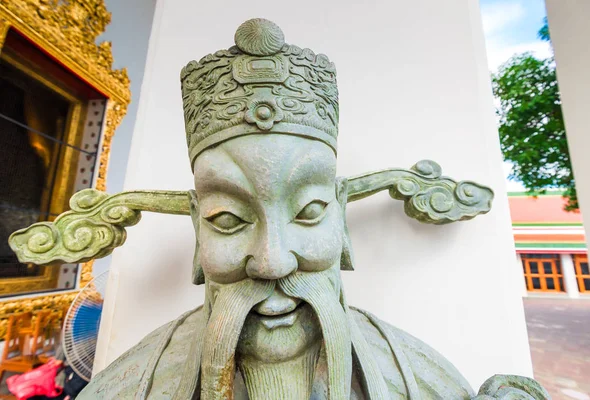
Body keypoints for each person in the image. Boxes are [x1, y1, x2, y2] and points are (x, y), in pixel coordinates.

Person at [73, 18, 548, 400]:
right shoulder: (129, 388)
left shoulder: (422, 382)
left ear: (340, 219)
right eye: (228, 219)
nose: (273, 260)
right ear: (199, 232)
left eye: (308, 211)